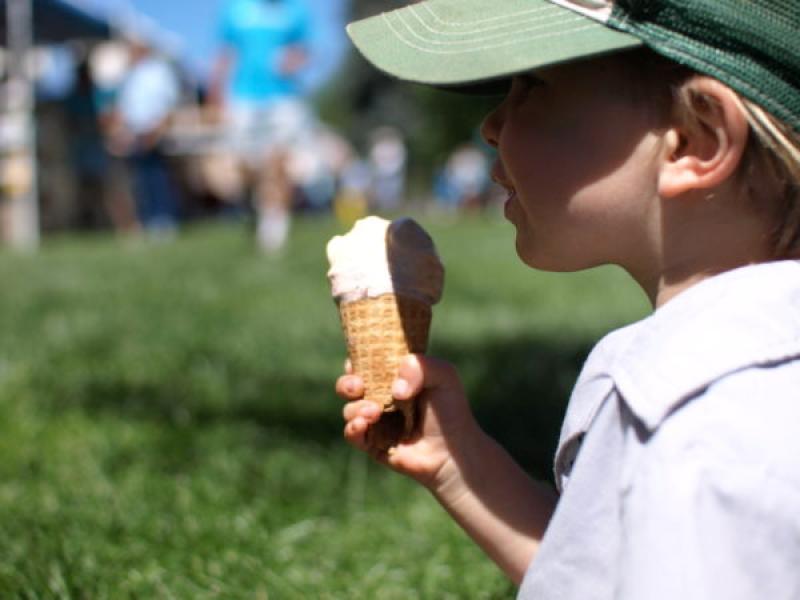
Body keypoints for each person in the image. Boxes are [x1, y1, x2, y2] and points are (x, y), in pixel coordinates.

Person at [336, 1, 800, 598]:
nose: (491, 126)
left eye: (532, 86)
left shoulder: (698, 426)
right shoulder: (736, 383)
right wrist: (462, 466)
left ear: (696, 138)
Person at [209, 0, 313, 253]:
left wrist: (293, 61)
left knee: (279, 161)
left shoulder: (295, 10)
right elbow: (225, 54)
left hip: (282, 96)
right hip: (243, 97)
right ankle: (253, 204)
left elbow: (304, 50)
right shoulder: (235, 9)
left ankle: (274, 227)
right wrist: (216, 94)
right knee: (245, 165)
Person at [108, 36, 182, 236]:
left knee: (157, 177)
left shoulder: (159, 71)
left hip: (154, 131)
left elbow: (168, 101)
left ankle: (164, 220)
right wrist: (120, 133)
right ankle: (148, 220)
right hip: (135, 133)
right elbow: (124, 107)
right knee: (141, 181)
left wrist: (158, 129)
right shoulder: (130, 75)